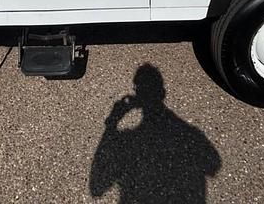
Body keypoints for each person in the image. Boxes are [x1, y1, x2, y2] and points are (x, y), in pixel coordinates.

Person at [90, 64, 221, 203]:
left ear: (138, 97)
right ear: (162, 93)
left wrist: (112, 123)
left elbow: (97, 188)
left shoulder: (128, 142)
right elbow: (213, 164)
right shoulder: (190, 135)